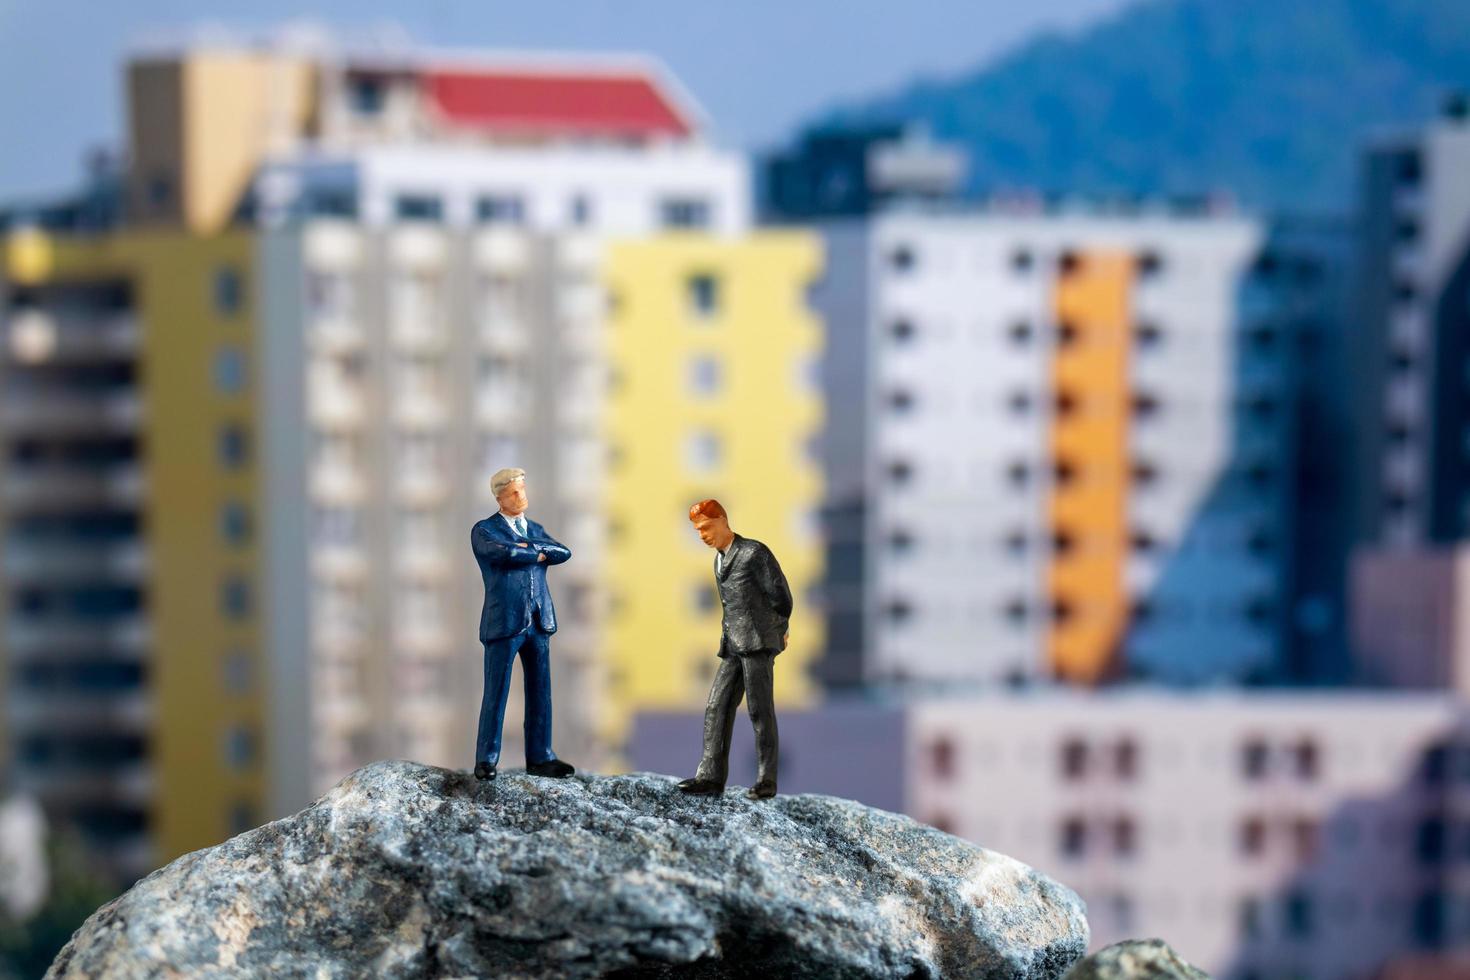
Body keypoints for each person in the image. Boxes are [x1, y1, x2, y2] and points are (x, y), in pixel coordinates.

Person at [678, 498, 792, 799]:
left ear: (722, 522)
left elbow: (781, 597)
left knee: (759, 710)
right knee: (717, 705)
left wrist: (780, 630)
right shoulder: (717, 559)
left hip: (757, 642)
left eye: (705, 528)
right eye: (697, 530)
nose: (702, 535)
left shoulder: (754, 553)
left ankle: (767, 780)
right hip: (732, 644)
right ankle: (711, 777)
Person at [469, 467, 575, 781]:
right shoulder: (485, 530)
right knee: (496, 692)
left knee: (541, 690)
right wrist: (535, 552)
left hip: (539, 620)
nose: (521, 497)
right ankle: (486, 759)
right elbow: (502, 553)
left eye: (523, 490)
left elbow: (562, 552)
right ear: (500, 497)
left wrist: (530, 550)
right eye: (514, 492)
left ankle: (541, 756)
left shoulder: (536, 527)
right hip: (504, 622)